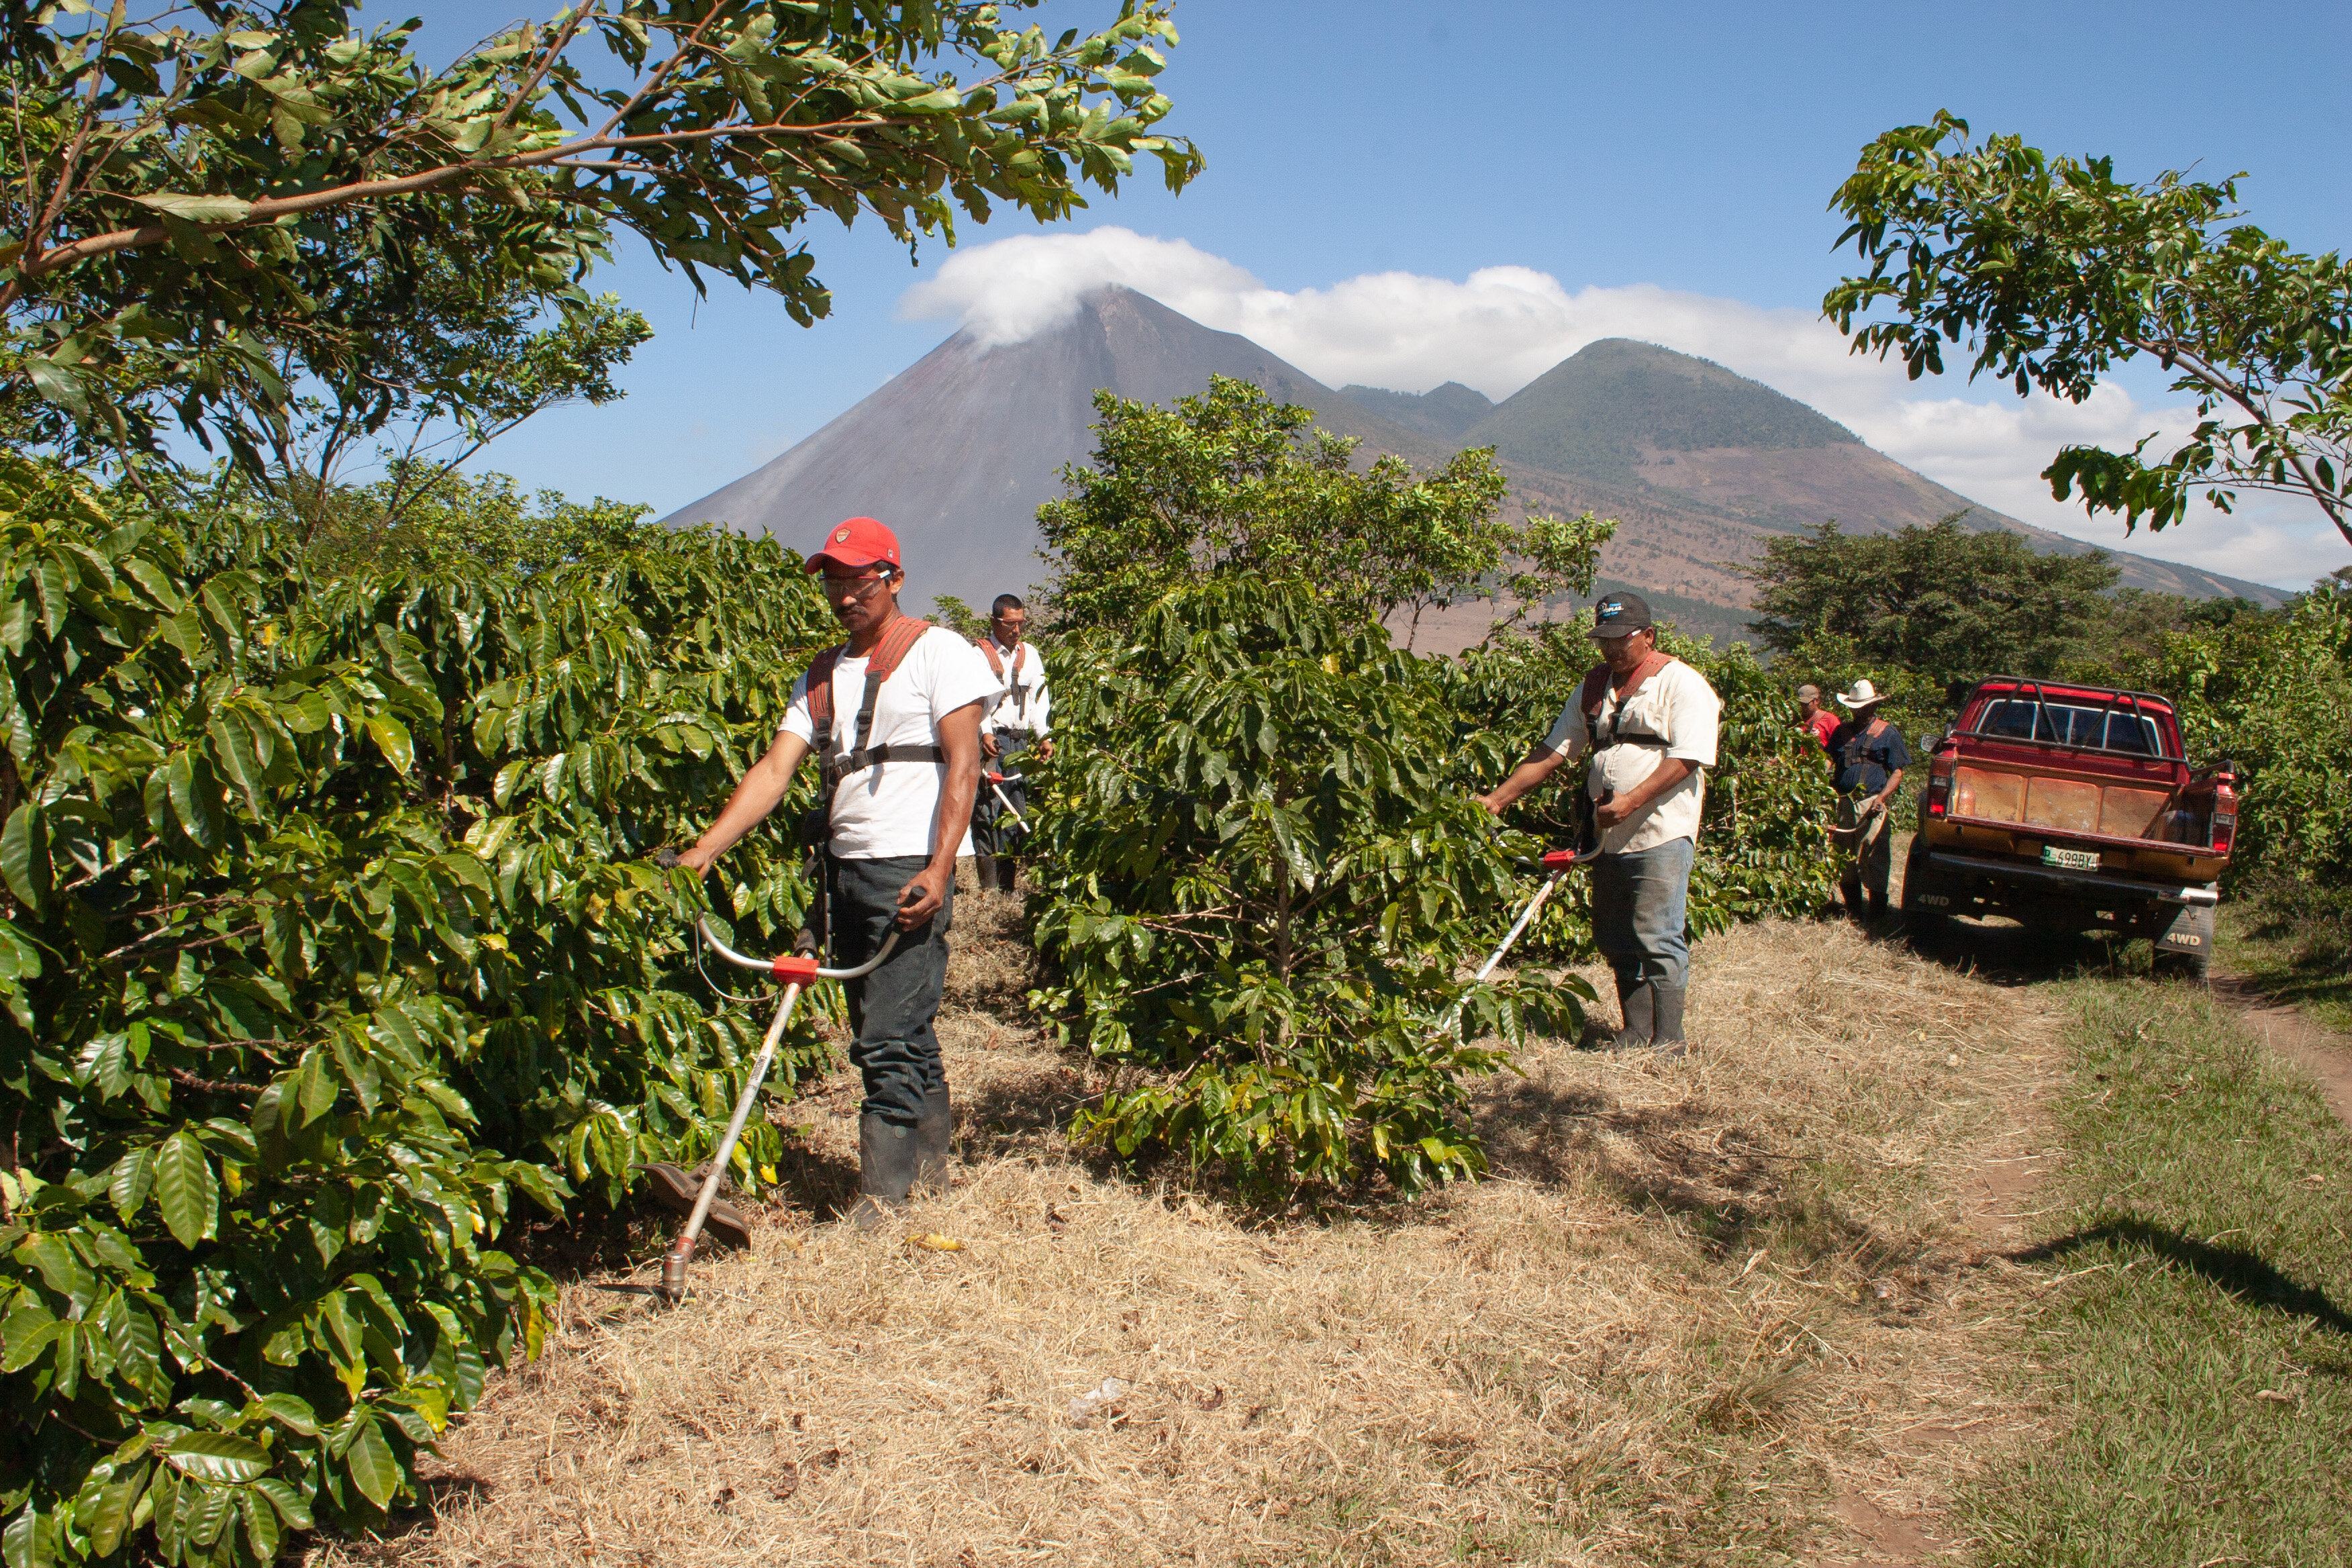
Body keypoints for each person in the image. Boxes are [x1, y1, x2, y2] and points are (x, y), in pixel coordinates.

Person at [675, 517, 996, 1228]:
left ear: (895, 579)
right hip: (842, 873)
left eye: (860, 580)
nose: (846, 595)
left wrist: (940, 867)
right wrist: (706, 848)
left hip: (908, 869)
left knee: (885, 1038)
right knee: (901, 1029)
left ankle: (881, 1204)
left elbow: (964, 765)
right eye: (834, 583)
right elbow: (773, 770)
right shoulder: (821, 674)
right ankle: (932, 1175)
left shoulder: (939, 651)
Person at [1477, 591, 1721, 1057]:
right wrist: (1497, 800)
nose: (1612, 650)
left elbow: (1689, 757)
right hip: (1608, 835)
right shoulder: (1594, 687)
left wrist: (1631, 801)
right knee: (1614, 936)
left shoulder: (1682, 684)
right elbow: (1553, 751)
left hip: (1661, 831)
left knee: (1657, 934)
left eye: (1622, 640)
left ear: (1648, 636)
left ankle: (1670, 1041)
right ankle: (1634, 1031)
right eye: (1604, 640)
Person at [971, 593, 1053, 895]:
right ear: (995, 622)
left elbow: (1038, 699)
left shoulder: (1030, 654)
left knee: (1016, 810)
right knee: (986, 810)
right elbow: (973, 700)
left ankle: (1007, 886)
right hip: (990, 742)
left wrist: (1043, 735)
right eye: (1010, 624)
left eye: (1021, 623)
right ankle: (988, 889)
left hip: (1018, 744)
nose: (1016, 630)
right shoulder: (979, 654)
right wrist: (984, 732)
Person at [1826, 678, 1910, 922]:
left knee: (1874, 856)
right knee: (1844, 857)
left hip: (1871, 801)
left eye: (1863, 708)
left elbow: (1897, 771)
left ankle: (1877, 916)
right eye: (1855, 708)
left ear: (1873, 707)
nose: (1859, 712)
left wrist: (1882, 797)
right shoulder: (1842, 732)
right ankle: (1853, 911)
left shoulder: (1887, 732)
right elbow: (1829, 757)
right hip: (1844, 802)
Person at [1797, 683, 1837, 752]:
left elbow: (1838, 745)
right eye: (1801, 703)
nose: (1803, 707)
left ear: (1816, 701)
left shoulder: (1829, 719)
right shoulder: (1796, 720)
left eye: (1806, 704)